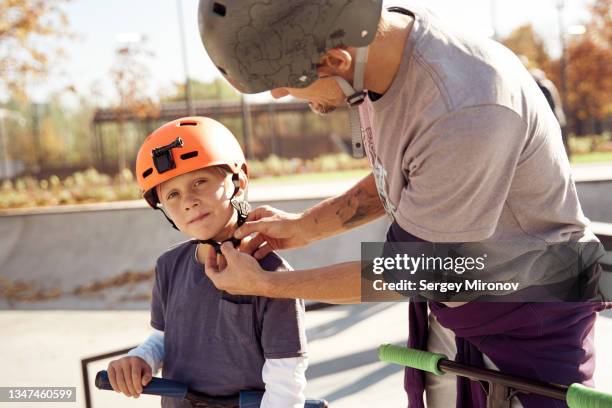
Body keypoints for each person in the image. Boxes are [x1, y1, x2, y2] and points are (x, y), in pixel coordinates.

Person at [197, 1, 610, 407]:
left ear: (335, 59)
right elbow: (409, 173)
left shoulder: (463, 107)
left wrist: (270, 287)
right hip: (463, 297)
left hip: (530, 318)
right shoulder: (388, 52)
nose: (280, 92)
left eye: (284, 80)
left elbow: (411, 272)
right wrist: (306, 227)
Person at [105, 117, 308, 408]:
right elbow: (165, 337)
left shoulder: (273, 275)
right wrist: (141, 357)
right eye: (173, 194)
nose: (188, 201)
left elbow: (286, 379)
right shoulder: (169, 266)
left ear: (239, 181)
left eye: (200, 182)